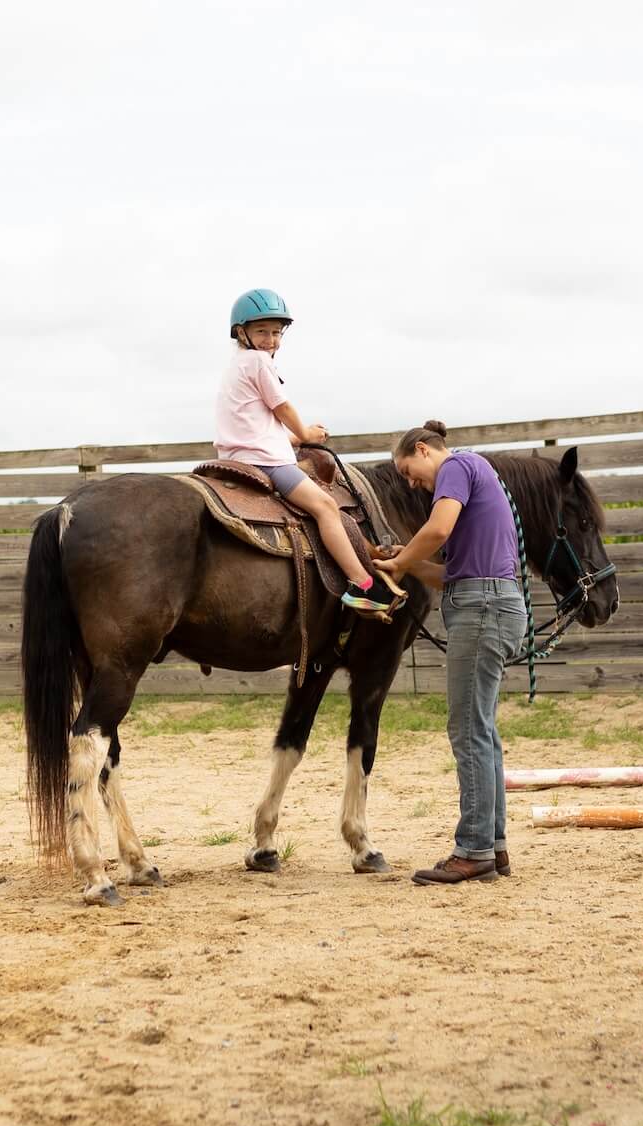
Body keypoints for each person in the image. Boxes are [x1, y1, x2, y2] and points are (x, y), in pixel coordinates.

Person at [372, 421, 525, 885]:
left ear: (423, 449)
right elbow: (448, 575)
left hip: (481, 610)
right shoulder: (478, 475)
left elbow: (437, 529)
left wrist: (400, 561)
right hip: (491, 603)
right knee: (482, 729)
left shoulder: (457, 465)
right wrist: (408, 561)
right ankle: (492, 848)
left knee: (467, 729)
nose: (412, 482)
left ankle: (473, 850)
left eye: (409, 471)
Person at [217, 288, 395, 611]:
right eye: (261, 332)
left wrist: (293, 440)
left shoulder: (236, 366)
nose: (270, 340)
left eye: (275, 332)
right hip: (265, 461)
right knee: (326, 506)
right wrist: (305, 432)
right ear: (241, 332)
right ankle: (361, 584)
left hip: (235, 457)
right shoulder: (259, 362)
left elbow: (254, 424)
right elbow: (282, 408)